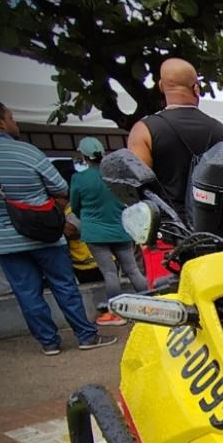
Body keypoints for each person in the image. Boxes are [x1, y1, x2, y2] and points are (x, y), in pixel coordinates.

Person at [0, 100, 114, 354]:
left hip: (3, 240)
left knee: (27, 293)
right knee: (64, 284)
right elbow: (60, 189)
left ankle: (49, 343)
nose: (15, 122)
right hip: (45, 234)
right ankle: (86, 336)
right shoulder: (26, 152)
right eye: (11, 117)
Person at [127, 58, 223, 211]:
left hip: (168, 228)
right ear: (196, 88)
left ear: (161, 86)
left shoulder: (143, 130)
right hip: (213, 229)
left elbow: (137, 188)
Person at [69, 136, 147, 325]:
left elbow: (75, 206)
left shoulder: (79, 178)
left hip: (95, 232)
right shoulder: (114, 175)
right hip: (121, 228)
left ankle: (116, 314)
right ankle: (150, 307)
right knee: (133, 270)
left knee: (110, 273)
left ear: (84, 155)